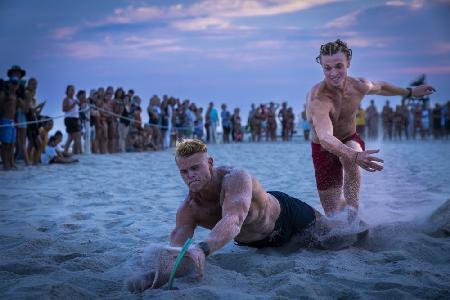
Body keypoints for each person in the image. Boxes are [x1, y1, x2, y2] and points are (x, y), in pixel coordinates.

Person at [127, 139, 359, 292]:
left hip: (287, 217)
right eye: (184, 172)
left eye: (195, 168)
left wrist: (202, 249)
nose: (190, 175)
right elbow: (176, 250)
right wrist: (153, 277)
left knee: (341, 239)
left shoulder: (235, 178)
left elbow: (233, 220)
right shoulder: (189, 209)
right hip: (261, 243)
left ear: (209, 163)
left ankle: (357, 223)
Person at [306, 39, 435, 219]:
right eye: (328, 68)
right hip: (322, 147)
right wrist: (356, 156)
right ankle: (344, 211)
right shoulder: (319, 100)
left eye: (338, 66)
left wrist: (410, 92)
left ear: (348, 63)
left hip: (349, 138)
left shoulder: (359, 86)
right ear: (322, 67)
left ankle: (354, 215)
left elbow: (382, 87)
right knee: (332, 211)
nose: (334, 73)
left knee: (351, 150)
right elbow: (326, 138)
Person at [0, 65, 26, 170]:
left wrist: (21, 102)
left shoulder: (17, 96)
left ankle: (11, 163)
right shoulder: (5, 93)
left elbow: (22, 108)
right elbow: (1, 105)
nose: (15, 85)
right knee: (5, 144)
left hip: (13, 121)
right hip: (5, 120)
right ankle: (6, 164)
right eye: (13, 84)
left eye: (16, 84)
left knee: (11, 144)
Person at [62, 85, 82, 155]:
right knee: (76, 137)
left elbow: (79, 107)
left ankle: (66, 151)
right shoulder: (66, 99)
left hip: (75, 118)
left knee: (71, 137)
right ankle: (76, 152)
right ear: (67, 91)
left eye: (73, 90)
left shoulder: (75, 99)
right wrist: (73, 105)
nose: (72, 91)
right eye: (70, 90)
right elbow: (64, 109)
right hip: (70, 119)